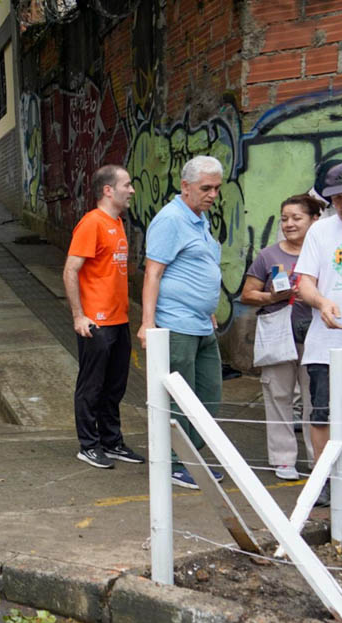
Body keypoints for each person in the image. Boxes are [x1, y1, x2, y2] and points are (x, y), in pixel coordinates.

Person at [138, 155, 225, 490]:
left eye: (216, 188)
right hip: (176, 325)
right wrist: (148, 323)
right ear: (185, 187)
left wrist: (209, 307)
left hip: (202, 324)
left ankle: (188, 455)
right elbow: (153, 273)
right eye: (206, 188)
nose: (213, 194)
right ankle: (175, 462)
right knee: (178, 397)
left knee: (209, 395)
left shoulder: (198, 219)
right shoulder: (171, 219)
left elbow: (196, 269)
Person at [296, 161, 342, 506]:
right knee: (323, 412)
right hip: (327, 343)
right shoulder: (320, 231)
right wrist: (321, 302)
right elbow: (304, 282)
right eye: (336, 198)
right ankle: (322, 479)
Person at [63, 164, 143, 469]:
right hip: (96, 323)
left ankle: (112, 442)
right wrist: (79, 316)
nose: (132, 190)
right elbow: (71, 269)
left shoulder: (118, 223)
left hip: (118, 320)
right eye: (127, 184)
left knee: (115, 386)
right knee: (91, 387)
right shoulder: (91, 223)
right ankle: (89, 444)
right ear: (108, 190)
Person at [239, 194, 323, 481]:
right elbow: (247, 294)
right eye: (285, 218)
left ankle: (319, 459)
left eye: (296, 218)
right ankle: (283, 459)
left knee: (317, 397)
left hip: (316, 333)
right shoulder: (268, 255)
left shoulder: (323, 252)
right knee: (278, 395)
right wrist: (272, 296)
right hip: (278, 331)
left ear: (315, 220)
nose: (289, 224)